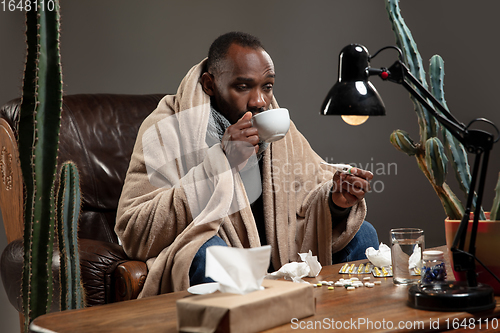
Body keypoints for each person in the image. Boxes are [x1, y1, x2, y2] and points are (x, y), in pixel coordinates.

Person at [116, 32, 378, 297]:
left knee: (363, 234)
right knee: (213, 255)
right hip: (215, 250)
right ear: (210, 84)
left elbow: (311, 191)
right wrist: (220, 164)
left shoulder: (276, 127)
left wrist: (335, 202)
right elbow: (133, 231)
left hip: (280, 254)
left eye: (267, 86)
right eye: (243, 87)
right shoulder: (165, 129)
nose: (259, 101)